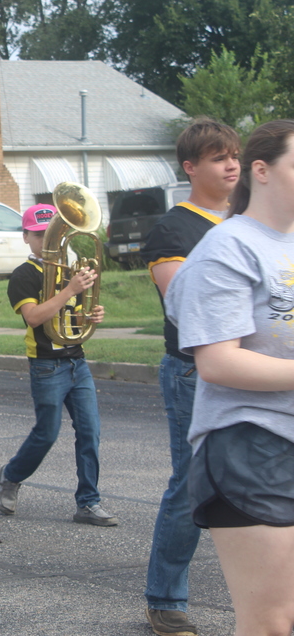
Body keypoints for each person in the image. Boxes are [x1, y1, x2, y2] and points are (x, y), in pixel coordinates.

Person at [164, 118, 294, 636]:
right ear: (261, 171)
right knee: (271, 623)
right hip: (250, 448)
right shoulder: (227, 249)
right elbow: (218, 361)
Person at [140, 117, 241, 636]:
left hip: (255, 369)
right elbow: (184, 306)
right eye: (218, 157)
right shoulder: (174, 229)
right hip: (192, 373)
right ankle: (165, 597)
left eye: (234, 156)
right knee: (192, 486)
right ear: (191, 167)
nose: (231, 165)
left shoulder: (250, 222)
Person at [0, 204, 116, 526]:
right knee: (46, 434)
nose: (48, 240)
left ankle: (88, 503)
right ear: (26, 237)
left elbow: (72, 316)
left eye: (53, 234)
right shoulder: (23, 275)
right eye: (40, 234)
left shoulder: (68, 270)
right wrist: (71, 289)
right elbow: (34, 317)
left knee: (90, 431)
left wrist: (89, 316)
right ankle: (11, 475)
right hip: (47, 365)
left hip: (76, 360)